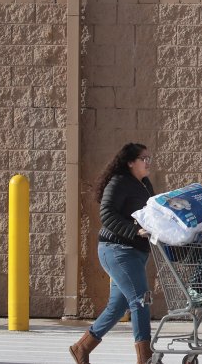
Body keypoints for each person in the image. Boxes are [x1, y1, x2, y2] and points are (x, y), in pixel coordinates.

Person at [70, 143, 156, 364]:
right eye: (143, 158)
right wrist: (135, 230)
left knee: (118, 307)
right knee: (141, 300)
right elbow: (107, 214)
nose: (148, 162)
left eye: (149, 158)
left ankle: (82, 347)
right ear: (130, 162)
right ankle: (145, 358)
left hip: (135, 253)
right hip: (117, 251)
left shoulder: (145, 184)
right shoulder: (119, 182)